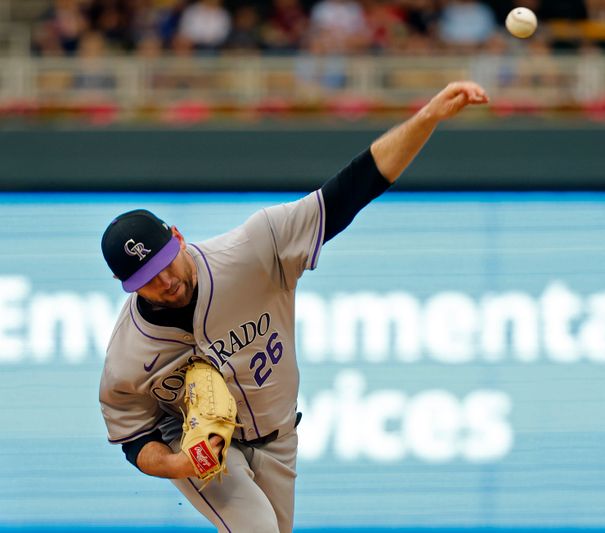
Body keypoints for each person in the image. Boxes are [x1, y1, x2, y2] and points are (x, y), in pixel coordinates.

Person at [98, 81, 489, 533]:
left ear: (179, 238)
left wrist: (427, 120)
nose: (165, 281)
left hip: (280, 437)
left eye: (166, 263)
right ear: (125, 286)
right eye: (147, 280)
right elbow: (134, 434)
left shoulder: (253, 249)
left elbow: (350, 190)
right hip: (202, 450)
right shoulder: (126, 357)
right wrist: (176, 464)